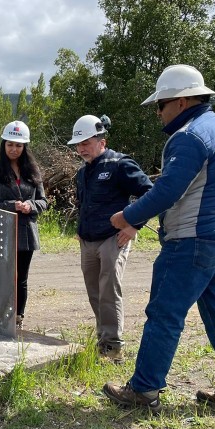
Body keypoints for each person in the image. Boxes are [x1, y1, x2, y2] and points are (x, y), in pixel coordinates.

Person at [102, 64, 215, 414]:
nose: (157, 112)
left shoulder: (189, 136)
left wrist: (127, 217)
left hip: (191, 240)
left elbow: (169, 191)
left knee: (163, 314)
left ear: (182, 101)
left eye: (160, 104)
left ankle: (143, 390)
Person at [68, 114, 153, 362]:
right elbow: (86, 204)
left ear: (101, 141)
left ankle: (113, 347)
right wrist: (81, 228)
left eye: (87, 142)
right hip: (88, 240)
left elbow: (150, 193)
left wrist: (134, 225)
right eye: (79, 144)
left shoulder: (120, 164)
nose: (81, 148)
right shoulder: (83, 173)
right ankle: (103, 340)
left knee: (108, 290)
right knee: (94, 291)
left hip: (112, 239)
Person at [0, 119, 47, 329]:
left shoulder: (33, 170)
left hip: (26, 233)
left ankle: (18, 318)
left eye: (18, 145)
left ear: (25, 147)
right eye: (10, 144)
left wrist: (30, 206)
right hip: (2, 231)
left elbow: (44, 202)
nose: (14, 149)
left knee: (21, 279)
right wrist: (11, 206)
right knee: (2, 277)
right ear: (3, 145)